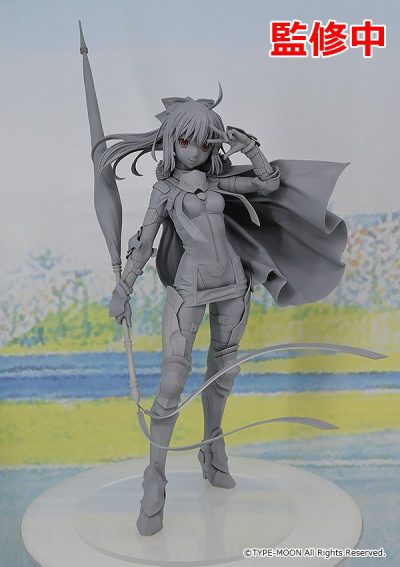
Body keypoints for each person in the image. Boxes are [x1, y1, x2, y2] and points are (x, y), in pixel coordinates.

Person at [99, 89, 347, 536]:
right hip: (189, 288)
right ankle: (155, 479)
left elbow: (267, 184)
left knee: (224, 371)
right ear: (172, 141)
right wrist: (123, 287)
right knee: (172, 383)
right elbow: (144, 244)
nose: (195, 150)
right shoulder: (164, 190)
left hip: (234, 282)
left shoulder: (216, 183)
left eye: (204, 141)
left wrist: (249, 147)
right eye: (186, 141)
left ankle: (213, 448)